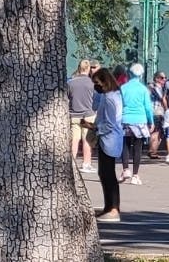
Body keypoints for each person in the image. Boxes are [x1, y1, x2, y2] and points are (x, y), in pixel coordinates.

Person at [89, 66, 124, 222]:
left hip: (109, 139)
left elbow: (110, 123)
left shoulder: (110, 98)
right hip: (107, 138)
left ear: (104, 82)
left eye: (97, 83)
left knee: (109, 174)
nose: (96, 86)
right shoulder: (108, 96)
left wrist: (95, 128)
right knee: (103, 173)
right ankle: (108, 206)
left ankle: (114, 208)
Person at [119, 62, 155, 185]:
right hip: (140, 120)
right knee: (138, 147)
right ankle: (135, 175)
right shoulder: (143, 89)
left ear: (129, 73)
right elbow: (148, 108)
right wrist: (151, 121)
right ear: (141, 75)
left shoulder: (123, 88)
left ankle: (125, 169)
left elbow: (119, 105)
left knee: (125, 145)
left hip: (125, 119)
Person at [67, 59, 97, 173]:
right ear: (89, 68)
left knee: (74, 140)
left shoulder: (70, 82)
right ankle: (86, 164)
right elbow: (96, 100)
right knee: (87, 140)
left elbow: (67, 97)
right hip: (88, 115)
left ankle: (72, 164)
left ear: (79, 68)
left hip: (74, 115)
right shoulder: (92, 83)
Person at [147, 71, 167, 159]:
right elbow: (161, 98)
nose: (164, 80)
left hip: (153, 112)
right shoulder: (156, 87)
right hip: (156, 112)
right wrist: (167, 109)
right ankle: (152, 151)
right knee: (156, 131)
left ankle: (153, 150)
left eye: (165, 78)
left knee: (156, 131)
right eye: (162, 78)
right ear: (157, 79)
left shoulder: (150, 87)